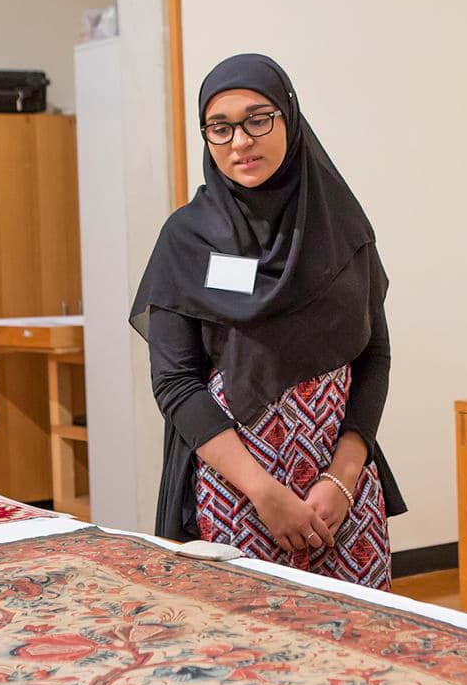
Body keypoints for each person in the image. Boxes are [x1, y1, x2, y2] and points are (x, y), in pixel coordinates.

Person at [131, 53, 405, 589]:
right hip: (234, 496)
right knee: (244, 658)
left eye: (258, 119)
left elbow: (374, 354)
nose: (240, 141)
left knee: (363, 655)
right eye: (220, 127)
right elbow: (175, 382)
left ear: (290, 118)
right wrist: (264, 491)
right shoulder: (185, 240)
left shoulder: (342, 228)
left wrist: (342, 479)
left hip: (340, 499)